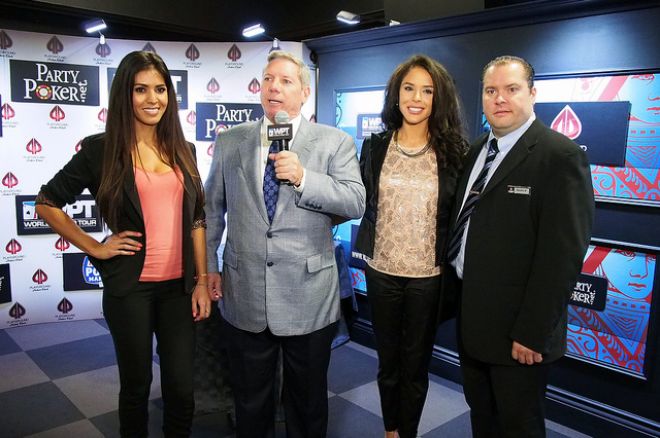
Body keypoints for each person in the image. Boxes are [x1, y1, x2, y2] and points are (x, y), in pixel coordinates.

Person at [35, 50, 210, 437]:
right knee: (136, 387)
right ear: (124, 95)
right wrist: (95, 247)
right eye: (141, 89)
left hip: (179, 289)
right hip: (130, 289)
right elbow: (46, 203)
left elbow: (197, 217)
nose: (153, 99)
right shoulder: (100, 149)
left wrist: (202, 278)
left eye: (161, 89)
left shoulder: (185, 149)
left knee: (182, 389)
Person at [204, 50, 365, 438]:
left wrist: (305, 178)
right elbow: (213, 209)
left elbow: (355, 201)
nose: (274, 87)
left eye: (285, 80)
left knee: (307, 404)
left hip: (308, 296)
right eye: (268, 79)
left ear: (304, 92)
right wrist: (208, 265)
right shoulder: (231, 141)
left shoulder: (334, 142)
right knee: (250, 401)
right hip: (245, 294)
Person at [444, 55, 594, 437]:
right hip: (474, 321)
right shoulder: (477, 150)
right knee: (483, 417)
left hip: (519, 334)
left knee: (519, 426)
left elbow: (561, 257)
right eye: (491, 91)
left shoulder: (560, 156)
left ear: (532, 93)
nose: (499, 99)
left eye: (511, 89)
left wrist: (532, 332)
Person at [354, 54, 467, 438]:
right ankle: (390, 431)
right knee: (387, 364)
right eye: (408, 88)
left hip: (428, 278)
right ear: (396, 94)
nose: (416, 97)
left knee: (415, 366)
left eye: (427, 90)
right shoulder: (374, 147)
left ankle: (410, 433)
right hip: (381, 271)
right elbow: (355, 201)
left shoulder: (454, 154)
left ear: (439, 98)